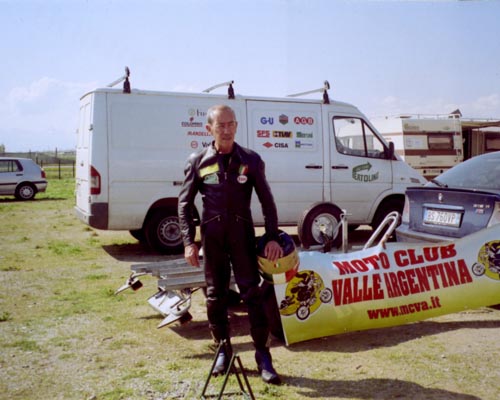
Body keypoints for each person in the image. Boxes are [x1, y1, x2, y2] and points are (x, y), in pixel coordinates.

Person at [178, 104, 283, 385]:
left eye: (231, 124)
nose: (226, 130)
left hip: (242, 237)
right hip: (213, 239)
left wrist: (272, 236)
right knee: (215, 296)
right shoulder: (198, 160)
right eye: (220, 125)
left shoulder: (250, 159)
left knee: (253, 294)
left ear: (236, 126)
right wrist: (189, 242)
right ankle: (223, 349)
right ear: (209, 128)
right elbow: (184, 203)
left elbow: (267, 201)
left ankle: (263, 355)